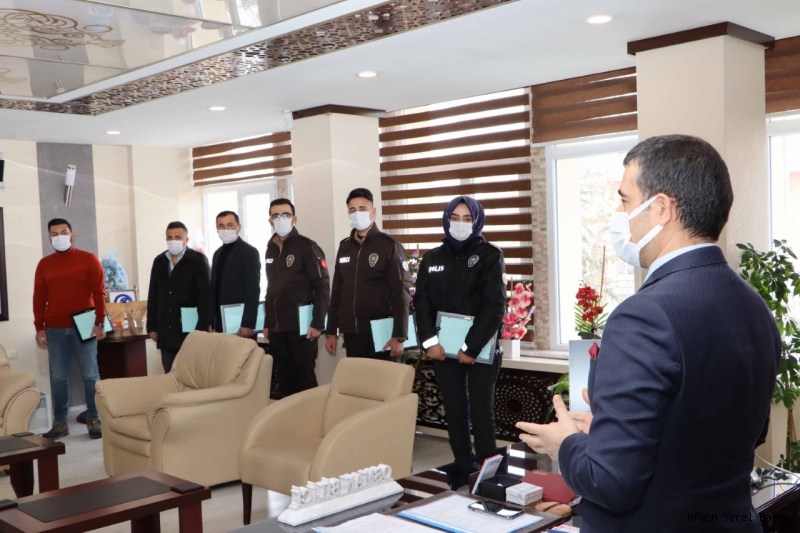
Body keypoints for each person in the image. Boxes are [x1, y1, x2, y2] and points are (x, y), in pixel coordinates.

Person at [517, 135, 780, 533]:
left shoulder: (643, 315)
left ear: (661, 209)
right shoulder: (754, 305)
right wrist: (615, 431)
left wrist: (566, 443)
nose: (619, 214)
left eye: (624, 201)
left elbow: (611, 483)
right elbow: (742, 433)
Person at [414, 197, 506, 461]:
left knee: (481, 412)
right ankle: (462, 465)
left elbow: (494, 307)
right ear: (446, 219)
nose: (460, 224)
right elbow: (421, 304)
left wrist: (470, 348)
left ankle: (487, 470)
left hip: (480, 349)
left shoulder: (490, 256)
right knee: (454, 410)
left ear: (477, 222)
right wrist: (429, 342)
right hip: (442, 349)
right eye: (455, 218)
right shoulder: (431, 259)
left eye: (467, 219)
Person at [33, 218, 106, 440]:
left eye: (63, 232)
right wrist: (39, 327)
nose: (60, 237)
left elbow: (99, 292)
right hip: (55, 328)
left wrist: (100, 322)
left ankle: (94, 418)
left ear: (72, 235)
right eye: (55, 234)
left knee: (90, 374)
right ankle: (60, 422)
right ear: (49, 238)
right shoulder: (44, 264)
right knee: (58, 378)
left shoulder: (89, 259)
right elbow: (39, 297)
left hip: (85, 325)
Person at [324, 188, 411, 361]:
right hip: (352, 332)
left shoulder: (389, 246)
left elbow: (401, 293)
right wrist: (331, 331)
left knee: (383, 378)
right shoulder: (344, 247)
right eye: (352, 210)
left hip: (382, 331)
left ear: (373, 212)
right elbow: (337, 291)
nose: (357, 214)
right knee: (358, 378)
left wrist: (399, 335)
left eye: (362, 209)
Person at [264, 198, 330, 395]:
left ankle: (312, 417)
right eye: (276, 215)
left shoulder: (307, 246)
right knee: (285, 384)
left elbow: (322, 287)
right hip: (277, 330)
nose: (281, 219)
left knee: (305, 382)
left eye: (286, 215)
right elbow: (271, 289)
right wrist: (267, 322)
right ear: (270, 221)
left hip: (302, 330)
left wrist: (318, 323)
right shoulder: (270, 249)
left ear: (294, 219)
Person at [146, 221, 211, 373]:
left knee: (191, 374)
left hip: (191, 329)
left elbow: (205, 297)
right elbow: (153, 294)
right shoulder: (159, 261)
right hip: (166, 328)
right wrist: (152, 325)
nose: (173, 241)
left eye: (177, 237)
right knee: (170, 373)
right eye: (169, 237)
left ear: (186, 240)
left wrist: (203, 327)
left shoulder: (197, 260)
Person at [209, 211, 261, 337]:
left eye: (230, 225)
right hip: (220, 322)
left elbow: (253, 290)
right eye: (221, 226)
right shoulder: (217, 254)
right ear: (217, 229)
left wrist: (248, 323)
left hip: (241, 324)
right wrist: (211, 320)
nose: (225, 229)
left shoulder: (249, 252)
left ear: (239, 227)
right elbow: (214, 290)